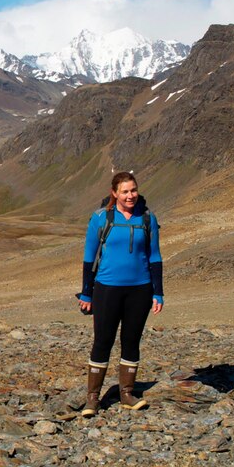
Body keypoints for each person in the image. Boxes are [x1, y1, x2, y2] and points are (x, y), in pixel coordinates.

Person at [77, 172, 163, 417]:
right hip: (107, 288)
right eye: (125, 191)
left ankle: (127, 393)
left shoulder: (147, 218)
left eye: (133, 190)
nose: (130, 196)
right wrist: (86, 293)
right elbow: (89, 257)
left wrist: (158, 292)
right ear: (114, 193)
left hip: (140, 288)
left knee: (131, 341)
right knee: (102, 341)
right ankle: (92, 398)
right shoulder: (101, 218)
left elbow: (155, 256)